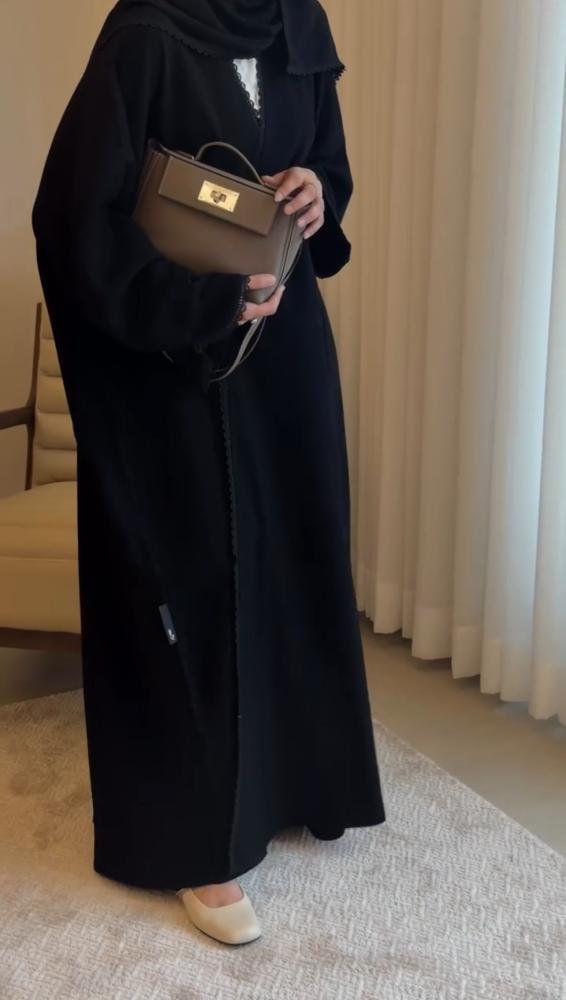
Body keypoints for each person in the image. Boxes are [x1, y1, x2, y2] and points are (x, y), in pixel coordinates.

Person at [31, 0, 387, 946]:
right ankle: (194, 841)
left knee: (294, 559)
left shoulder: (297, 25)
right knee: (189, 579)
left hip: (286, 348)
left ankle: (298, 782)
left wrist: (317, 190)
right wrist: (202, 302)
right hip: (173, 366)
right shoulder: (146, 35)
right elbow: (72, 217)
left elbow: (329, 166)